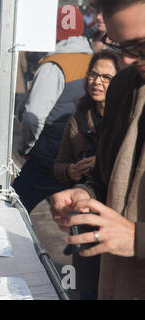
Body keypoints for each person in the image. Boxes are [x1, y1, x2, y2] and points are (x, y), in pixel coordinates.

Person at [50, 0, 145, 300]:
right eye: (119, 46)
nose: (127, 61)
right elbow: (106, 178)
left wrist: (137, 239)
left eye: (139, 47)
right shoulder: (125, 87)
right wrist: (86, 196)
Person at [53, 50, 121, 300]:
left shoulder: (126, 120)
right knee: (86, 288)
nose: (97, 82)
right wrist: (71, 171)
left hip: (117, 217)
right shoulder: (78, 119)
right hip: (84, 218)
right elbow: (59, 166)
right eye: (93, 75)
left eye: (106, 77)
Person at [12, 4, 93, 213]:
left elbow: (33, 116)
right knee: (79, 213)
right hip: (84, 155)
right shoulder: (96, 61)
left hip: (49, 157)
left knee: (14, 208)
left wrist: (26, 147)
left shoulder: (53, 65)